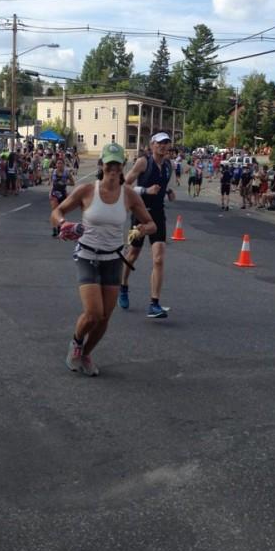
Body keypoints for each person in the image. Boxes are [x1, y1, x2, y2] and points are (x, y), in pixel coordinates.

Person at [51, 143, 156, 376]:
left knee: (106, 316)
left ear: (122, 167)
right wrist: (62, 224)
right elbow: (57, 212)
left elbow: (151, 223)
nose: (112, 168)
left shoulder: (128, 196)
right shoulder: (87, 190)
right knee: (94, 312)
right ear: (101, 165)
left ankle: (86, 353)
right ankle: (76, 343)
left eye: (117, 164)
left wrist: (141, 230)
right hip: (87, 255)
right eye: (109, 163)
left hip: (113, 259)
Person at [118, 132, 175, 318]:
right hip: (140, 214)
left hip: (158, 214)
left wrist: (168, 192)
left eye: (166, 143)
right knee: (132, 254)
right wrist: (145, 190)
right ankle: (123, 286)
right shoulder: (143, 162)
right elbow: (124, 185)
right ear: (152, 145)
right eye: (159, 143)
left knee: (158, 258)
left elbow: (161, 186)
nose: (163, 146)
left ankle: (154, 303)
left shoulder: (169, 166)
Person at [49, 157, 74, 236]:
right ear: (56, 164)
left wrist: (65, 183)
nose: (59, 165)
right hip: (54, 193)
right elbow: (51, 182)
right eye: (58, 163)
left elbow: (73, 183)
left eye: (61, 163)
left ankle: (60, 226)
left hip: (63, 193)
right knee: (54, 211)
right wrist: (50, 192)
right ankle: (54, 228)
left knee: (61, 211)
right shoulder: (53, 171)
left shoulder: (66, 173)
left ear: (63, 164)